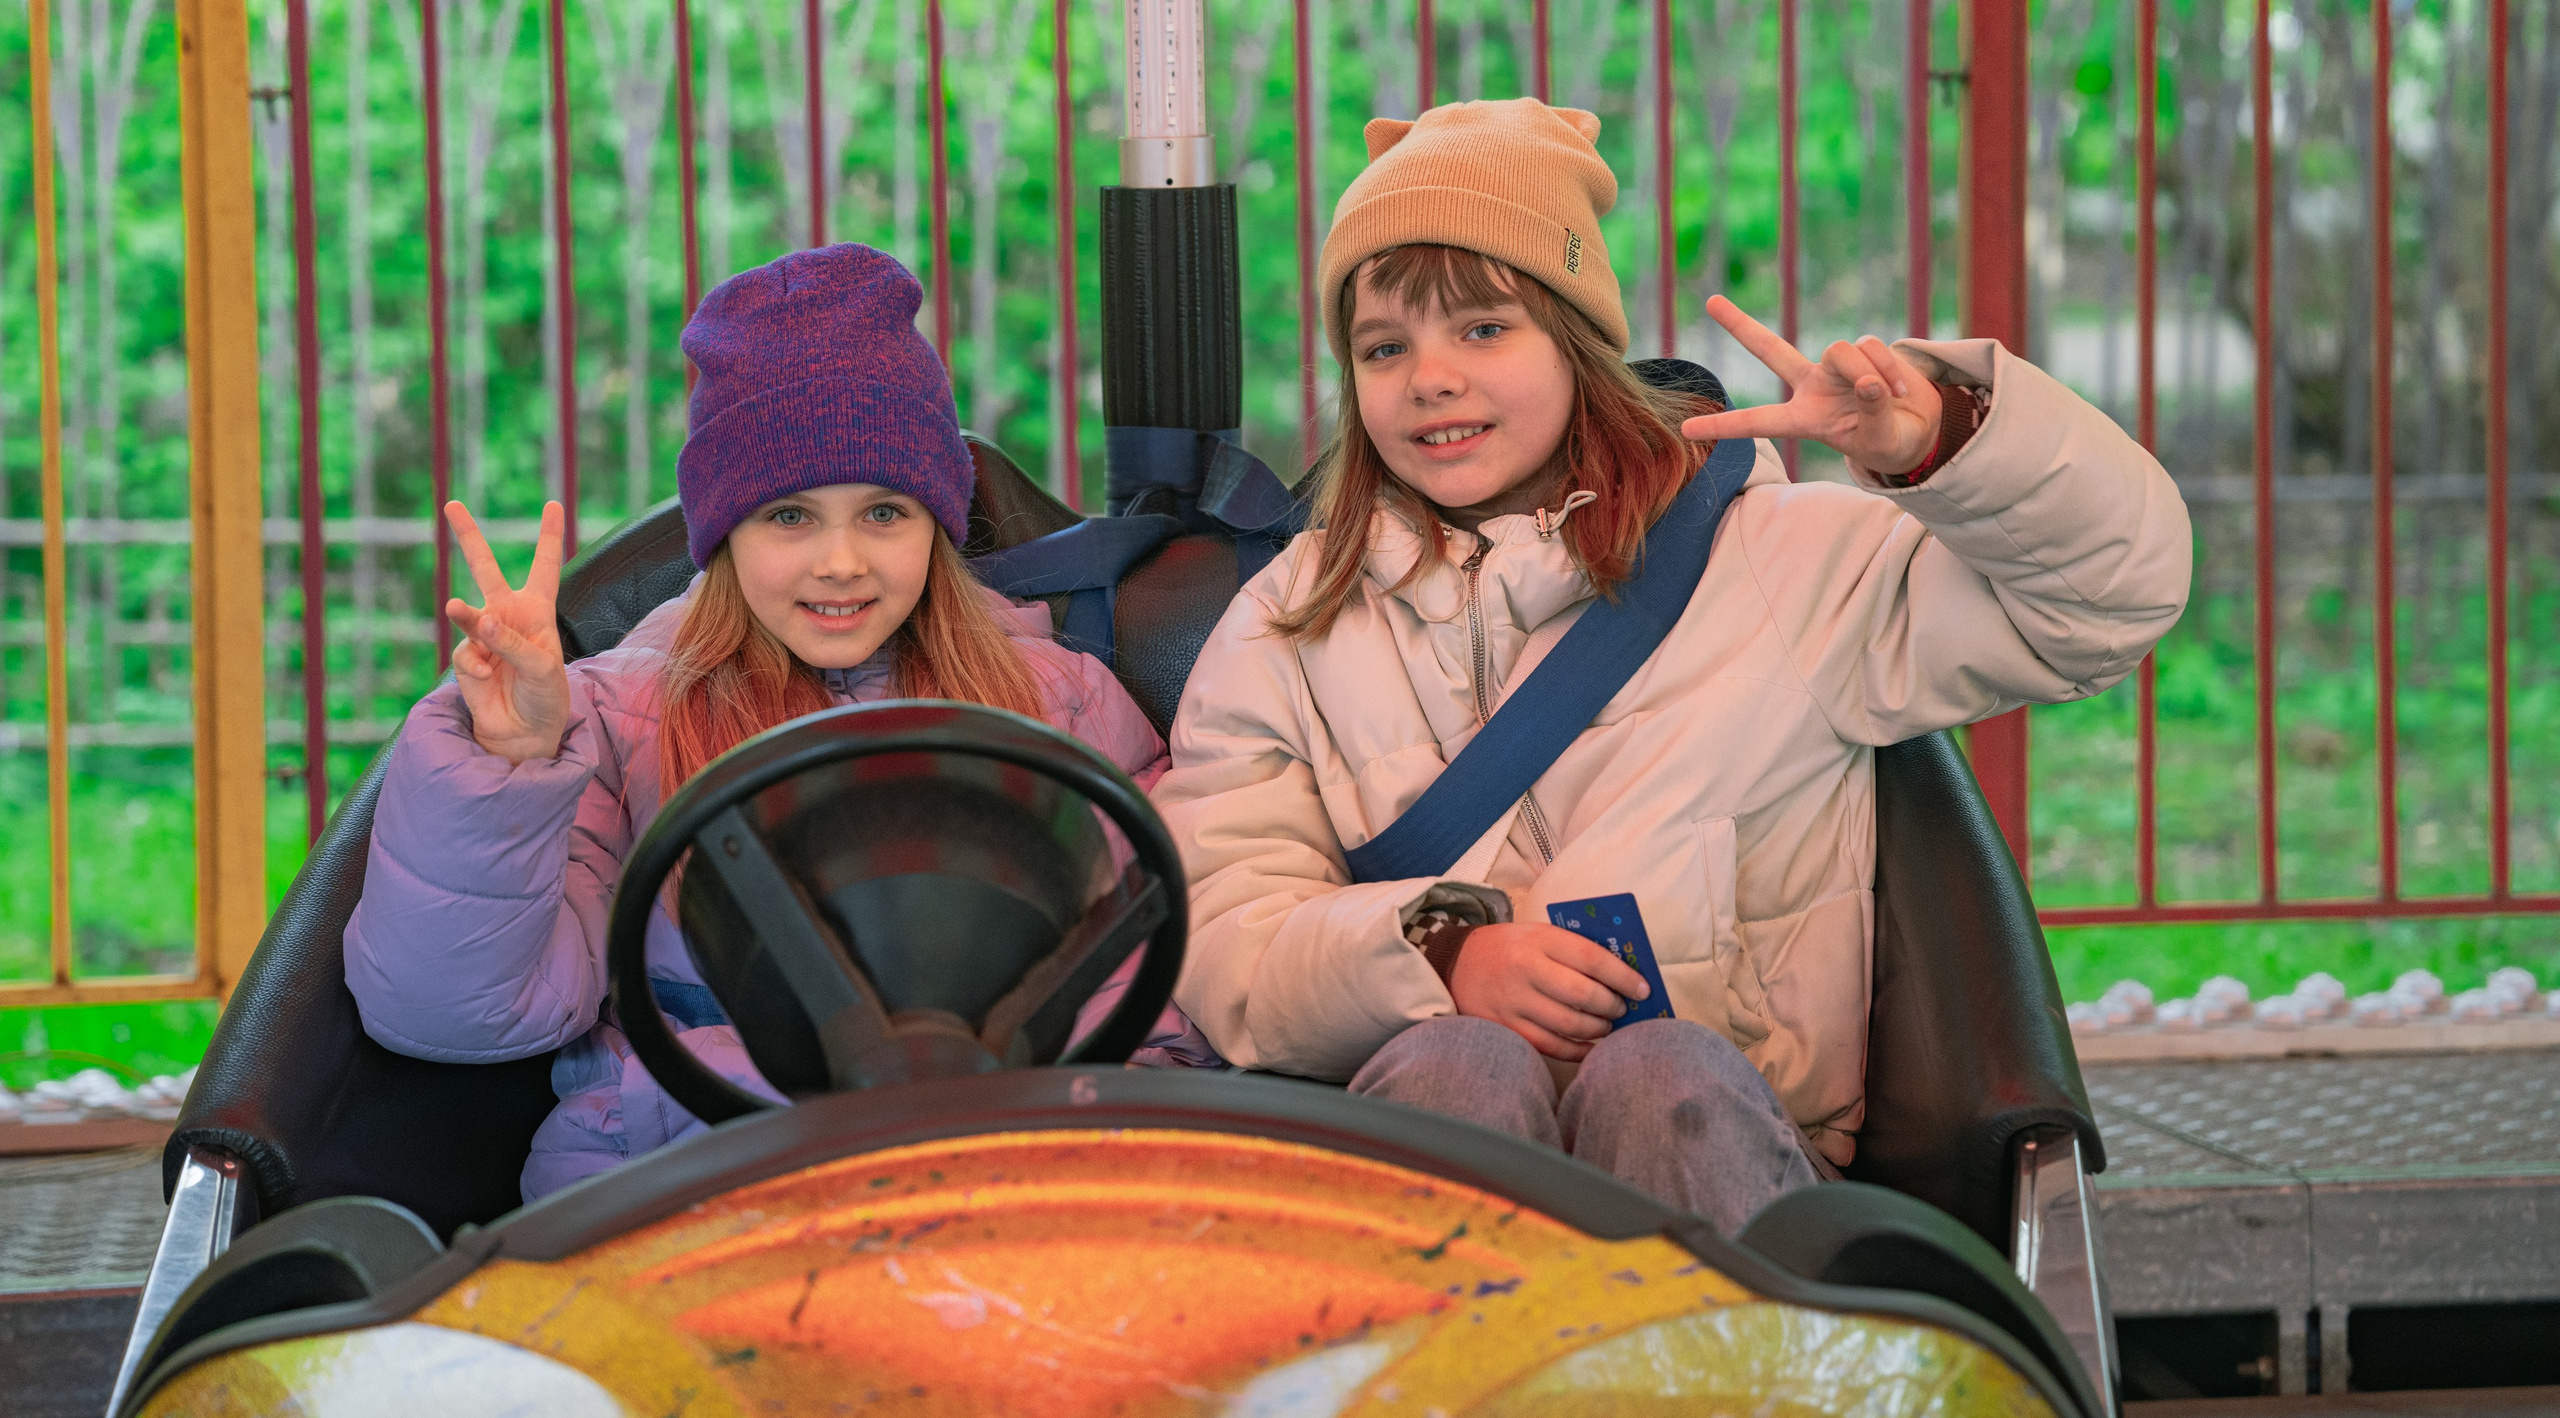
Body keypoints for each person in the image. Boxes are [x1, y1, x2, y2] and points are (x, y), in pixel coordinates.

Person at [1152, 99, 2190, 1233]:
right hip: (1437, 1123)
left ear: (1577, 343)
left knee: (1660, 1074)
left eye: (1484, 329)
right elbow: (1223, 923)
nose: (1430, 377)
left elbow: (2106, 596)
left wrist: (1943, 442)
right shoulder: (1290, 621)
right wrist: (1436, 957)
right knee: (1460, 1064)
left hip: (1727, 1133)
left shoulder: (1780, 560)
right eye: (1384, 346)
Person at [344, 244, 1172, 1200]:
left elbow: (1152, 986)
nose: (840, 563)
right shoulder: (618, 725)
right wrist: (512, 762)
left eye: (885, 512)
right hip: (685, 1169)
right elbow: (454, 1012)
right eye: (788, 516)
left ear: (936, 522)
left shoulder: (1056, 703)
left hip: (993, 1170)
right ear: (724, 529)